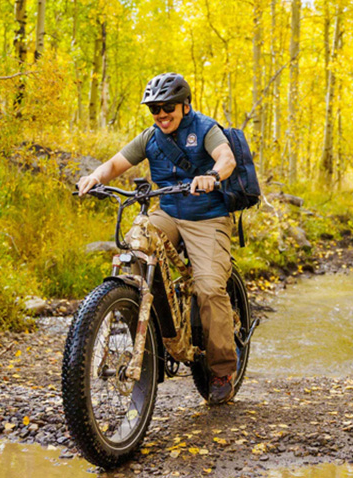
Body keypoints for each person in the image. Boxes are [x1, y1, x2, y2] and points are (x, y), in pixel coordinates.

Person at [77, 73, 238, 405]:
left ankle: (222, 370)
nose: (162, 115)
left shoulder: (205, 129)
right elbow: (115, 164)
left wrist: (211, 175)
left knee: (209, 287)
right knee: (137, 243)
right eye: (155, 109)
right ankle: (152, 331)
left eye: (168, 108)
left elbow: (227, 158)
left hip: (208, 216)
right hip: (168, 213)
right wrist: (94, 176)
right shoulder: (150, 137)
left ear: (185, 106)